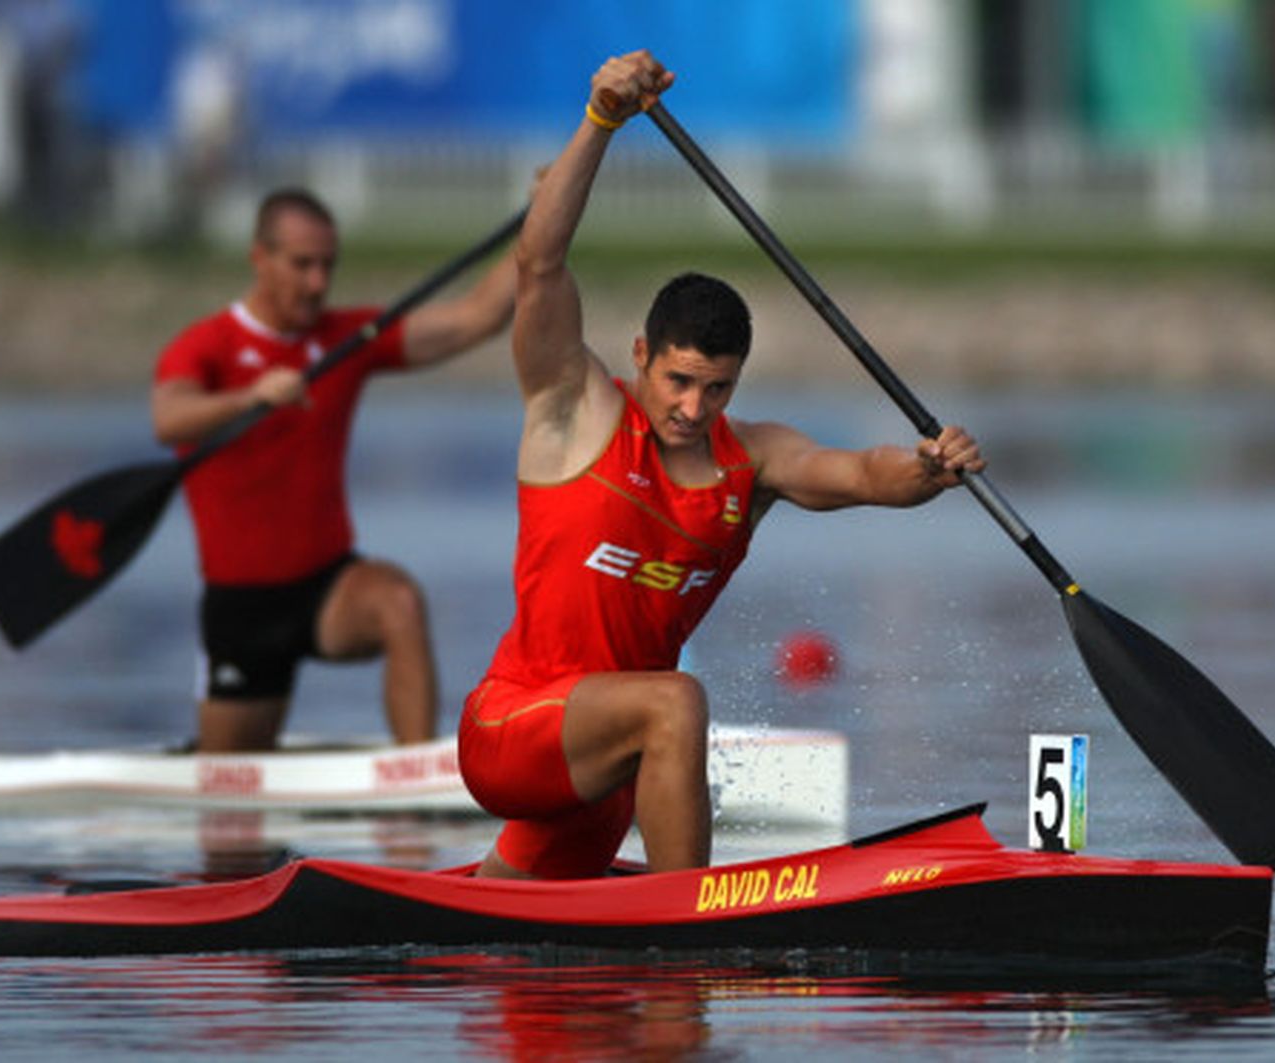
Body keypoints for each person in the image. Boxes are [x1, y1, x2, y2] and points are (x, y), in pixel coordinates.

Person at [458, 50, 986, 880]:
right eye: (677, 381)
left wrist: (931, 467)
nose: (693, 410)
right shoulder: (577, 410)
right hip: (512, 730)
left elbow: (862, 475)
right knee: (676, 701)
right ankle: (692, 917)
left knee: (511, 935)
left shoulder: (756, 459)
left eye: (717, 389)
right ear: (640, 356)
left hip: (610, 769)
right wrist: (599, 122)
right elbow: (539, 267)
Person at [153, 187, 519, 752]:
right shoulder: (206, 346)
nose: (319, 283)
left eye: (327, 265)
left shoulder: (344, 340)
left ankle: (414, 776)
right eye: (302, 265)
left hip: (328, 590)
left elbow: (478, 318)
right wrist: (251, 397)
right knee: (229, 805)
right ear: (260, 257)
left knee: (398, 602)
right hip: (239, 608)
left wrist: (546, 215)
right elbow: (169, 419)